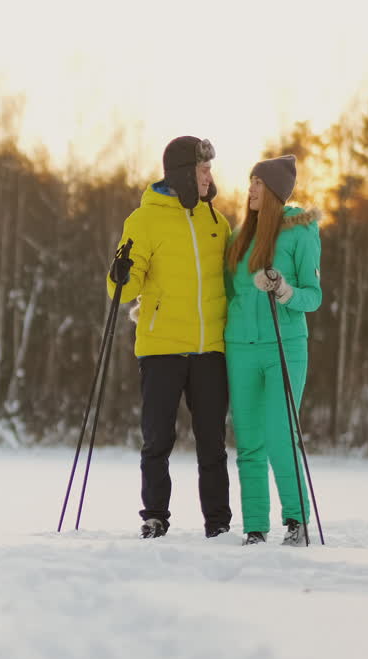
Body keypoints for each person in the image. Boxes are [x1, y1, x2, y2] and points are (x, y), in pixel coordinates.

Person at [106, 136, 234, 540]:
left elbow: (232, 284)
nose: (209, 177)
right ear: (184, 173)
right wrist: (120, 273)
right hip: (161, 348)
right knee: (158, 438)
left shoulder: (217, 222)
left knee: (212, 442)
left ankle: (218, 522)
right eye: (203, 170)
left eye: (209, 169)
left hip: (210, 348)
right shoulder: (143, 220)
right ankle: (155, 516)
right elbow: (122, 293)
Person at [222, 155, 322, 546]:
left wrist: (284, 289)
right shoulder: (239, 237)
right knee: (248, 441)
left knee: (280, 433)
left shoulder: (301, 231)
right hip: (240, 347)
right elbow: (228, 293)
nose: (251, 190)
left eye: (258, 184)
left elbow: (313, 297)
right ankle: (255, 527)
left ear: (276, 191)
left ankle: (296, 520)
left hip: (285, 345)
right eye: (250, 182)